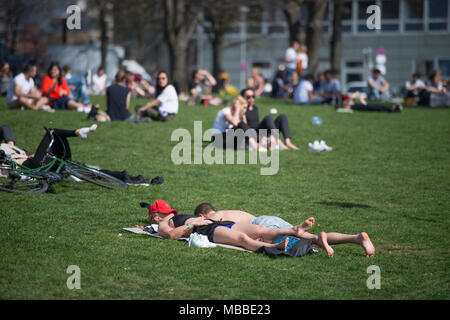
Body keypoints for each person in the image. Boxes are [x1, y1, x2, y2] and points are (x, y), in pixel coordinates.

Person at [193, 203, 375, 258]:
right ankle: (357, 238)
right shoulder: (230, 210)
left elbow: (211, 227)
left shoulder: (216, 216)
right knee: (307, 235)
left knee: (303, 238)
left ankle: (318, 239)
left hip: (262, 224)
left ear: (202, 214)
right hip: (268, 218)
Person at [0, 125, 152, 185]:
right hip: (32, 167)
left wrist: (10, 145)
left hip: (39, 163)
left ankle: (123, 177)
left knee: (82, 169)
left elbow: (5, 127)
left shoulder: (8, 147)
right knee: (51, 133)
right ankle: (78, 132)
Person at [146, 200, 315, 252]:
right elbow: (170, 235)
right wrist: (193, 223)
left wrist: (194, 221)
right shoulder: (163, 224)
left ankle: (294, 230)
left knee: (259, 230)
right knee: (242, 239)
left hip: (214, 224)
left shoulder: (169, 219)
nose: (154, 220)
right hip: (205, 229)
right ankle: (273, 246)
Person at [336, 91, 402, 113]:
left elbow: (363, 103)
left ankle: (393, 108)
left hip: (363, 106)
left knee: (377, 106)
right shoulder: (345, 103)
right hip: (359, 107)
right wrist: (353, 95)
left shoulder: (348, 101)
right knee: (376, 108)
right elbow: (346, 107)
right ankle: (392, 109)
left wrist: (360, 98)